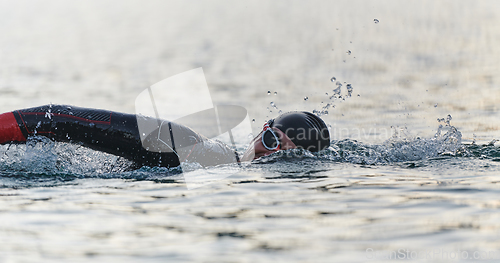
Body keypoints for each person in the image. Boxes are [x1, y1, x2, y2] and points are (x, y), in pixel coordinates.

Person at [0, 104, 330, 168]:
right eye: (270, 141)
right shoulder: (203, 150)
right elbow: (55, 117)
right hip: (177, 145)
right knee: (54, 120)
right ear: (262, 131)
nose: (266, 154)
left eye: (282, 152)